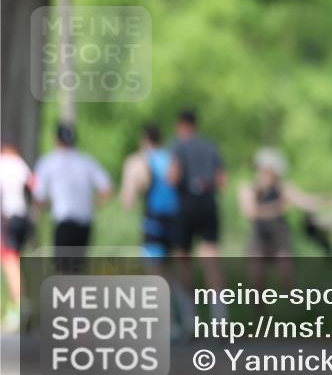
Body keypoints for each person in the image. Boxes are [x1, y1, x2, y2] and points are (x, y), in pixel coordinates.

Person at [238, 148, 319, 289]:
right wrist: (278, 207)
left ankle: (295, 309)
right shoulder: (249, 188)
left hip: (279, 234)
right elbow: (250, 212)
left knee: (287, 276)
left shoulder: (282, 187)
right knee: (257, 281)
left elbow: (306, 201)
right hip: (259, 235)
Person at [33, 123, 112, 260]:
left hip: (63, 222)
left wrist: (47, 207)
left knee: (63, 270)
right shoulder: (87, 161)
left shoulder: (48, 162)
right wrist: (95, 203)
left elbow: (39, 197)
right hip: (85, 222)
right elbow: (107, 189)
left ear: (56, 139)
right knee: (77, 269)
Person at [169, 110, 226, 296]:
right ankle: (220, 315)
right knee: (211, 258)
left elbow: (174, 177)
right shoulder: (211, 147)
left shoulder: (179, 147)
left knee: (183, 259)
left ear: (181, 126)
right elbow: (222, 181)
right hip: (208, 201)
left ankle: (188, 313)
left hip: (187, 202)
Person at [121, 124, 180, 260]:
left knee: (154, 264)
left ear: (144, 140)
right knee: (171, 261)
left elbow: (129, 196)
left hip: (154, 216)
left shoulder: (140, 159)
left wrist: (128, 202)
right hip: (175, 215)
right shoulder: (170, 157)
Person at [0, 143, 34, 330]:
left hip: (7, 218)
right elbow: (32, 187)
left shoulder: (3, 163)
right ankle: (21, 303)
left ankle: (19, 306)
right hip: (23, 217)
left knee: (9, 261)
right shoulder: (20, 163)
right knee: (17, 261)